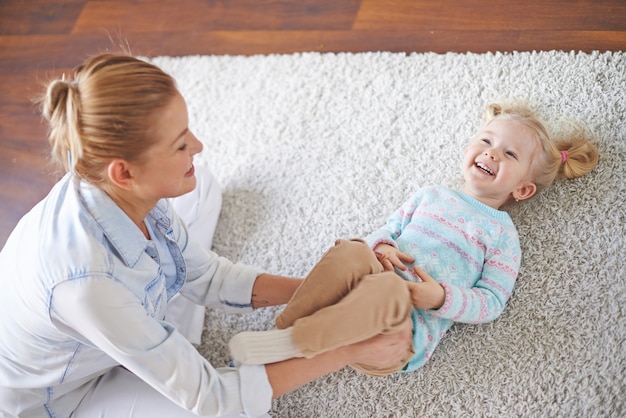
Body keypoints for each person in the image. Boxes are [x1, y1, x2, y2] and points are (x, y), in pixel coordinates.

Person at [0, 53, 413, 418]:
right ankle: (161, 354)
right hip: (66, 397)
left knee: (202, 185)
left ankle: (162, 348)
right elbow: (212, 396)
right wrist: (349, 349)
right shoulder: (87, 285)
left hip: (120, 317)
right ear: (123, 172)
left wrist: (328, 288)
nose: (197, 145)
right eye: (180, 145)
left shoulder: (116, 185)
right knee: (235, 413)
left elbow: (208, 277)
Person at [229, 102, 600, 376]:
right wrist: (382, 246)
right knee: (350, 251)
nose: (491, 152)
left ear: (522, 189)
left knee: (388, 292)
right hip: (363, 287)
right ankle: (281, 334)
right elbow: (386, 230)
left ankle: (298, 341)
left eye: (509, 153)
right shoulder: (430, 196)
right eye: (486, 140)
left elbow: (492, 302)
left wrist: (441, 297)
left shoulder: (502, 234)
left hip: (400, 333)